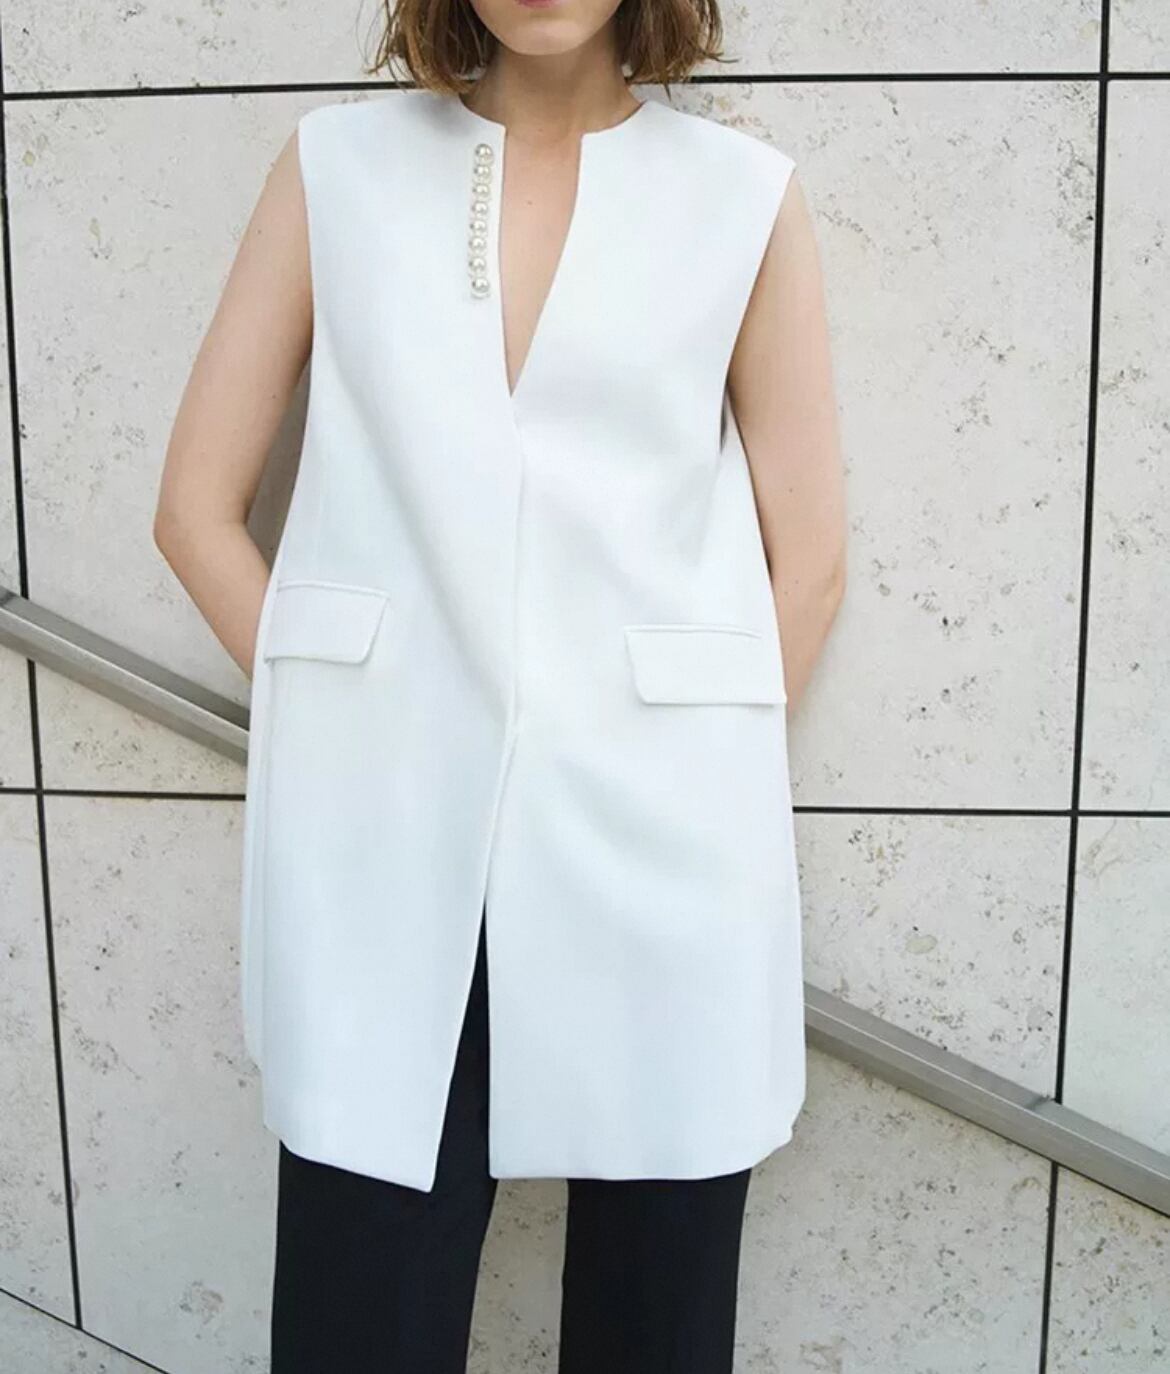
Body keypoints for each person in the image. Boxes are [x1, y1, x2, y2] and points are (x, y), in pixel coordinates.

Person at [154, 0, 846, 1367]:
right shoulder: (335, 172)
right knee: (360, 1314)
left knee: (656, 1322)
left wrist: (695, 771)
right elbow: (193, 512)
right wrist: (350, 728)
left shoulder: (741, 197)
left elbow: (810, 557)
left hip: (661, 847)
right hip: (392, 844)